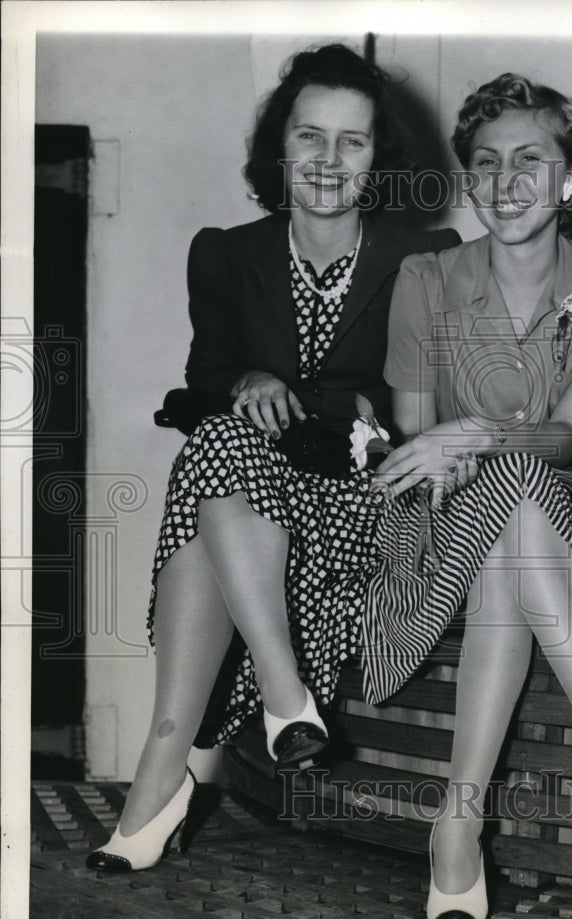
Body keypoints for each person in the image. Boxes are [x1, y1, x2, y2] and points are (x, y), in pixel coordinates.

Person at [86, 43, 459, 873]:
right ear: (279, 148)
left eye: (352, 142)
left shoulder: (424, 257)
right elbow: (200, 389)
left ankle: (166, 769)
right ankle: (280, 701)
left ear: (377, 158)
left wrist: (345, 413)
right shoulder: (223, 252)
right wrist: (248, 380)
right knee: (218, 439)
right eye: (309, 136)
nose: (328, 161)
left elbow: (423, 414)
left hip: (367, 499)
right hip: (251, 492)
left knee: (209, 477)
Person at [362, 73, 572, 919]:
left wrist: (473, 433)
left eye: (529, 160)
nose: (503, 183)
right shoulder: (425, 277)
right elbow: (417, 448)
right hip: (438, 518)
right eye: (484, 164)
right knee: (507, 491)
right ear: (467, 179)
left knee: (522, 487)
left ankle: (457, 823)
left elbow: (567, 441)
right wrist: (466, 443)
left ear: (571, 178)